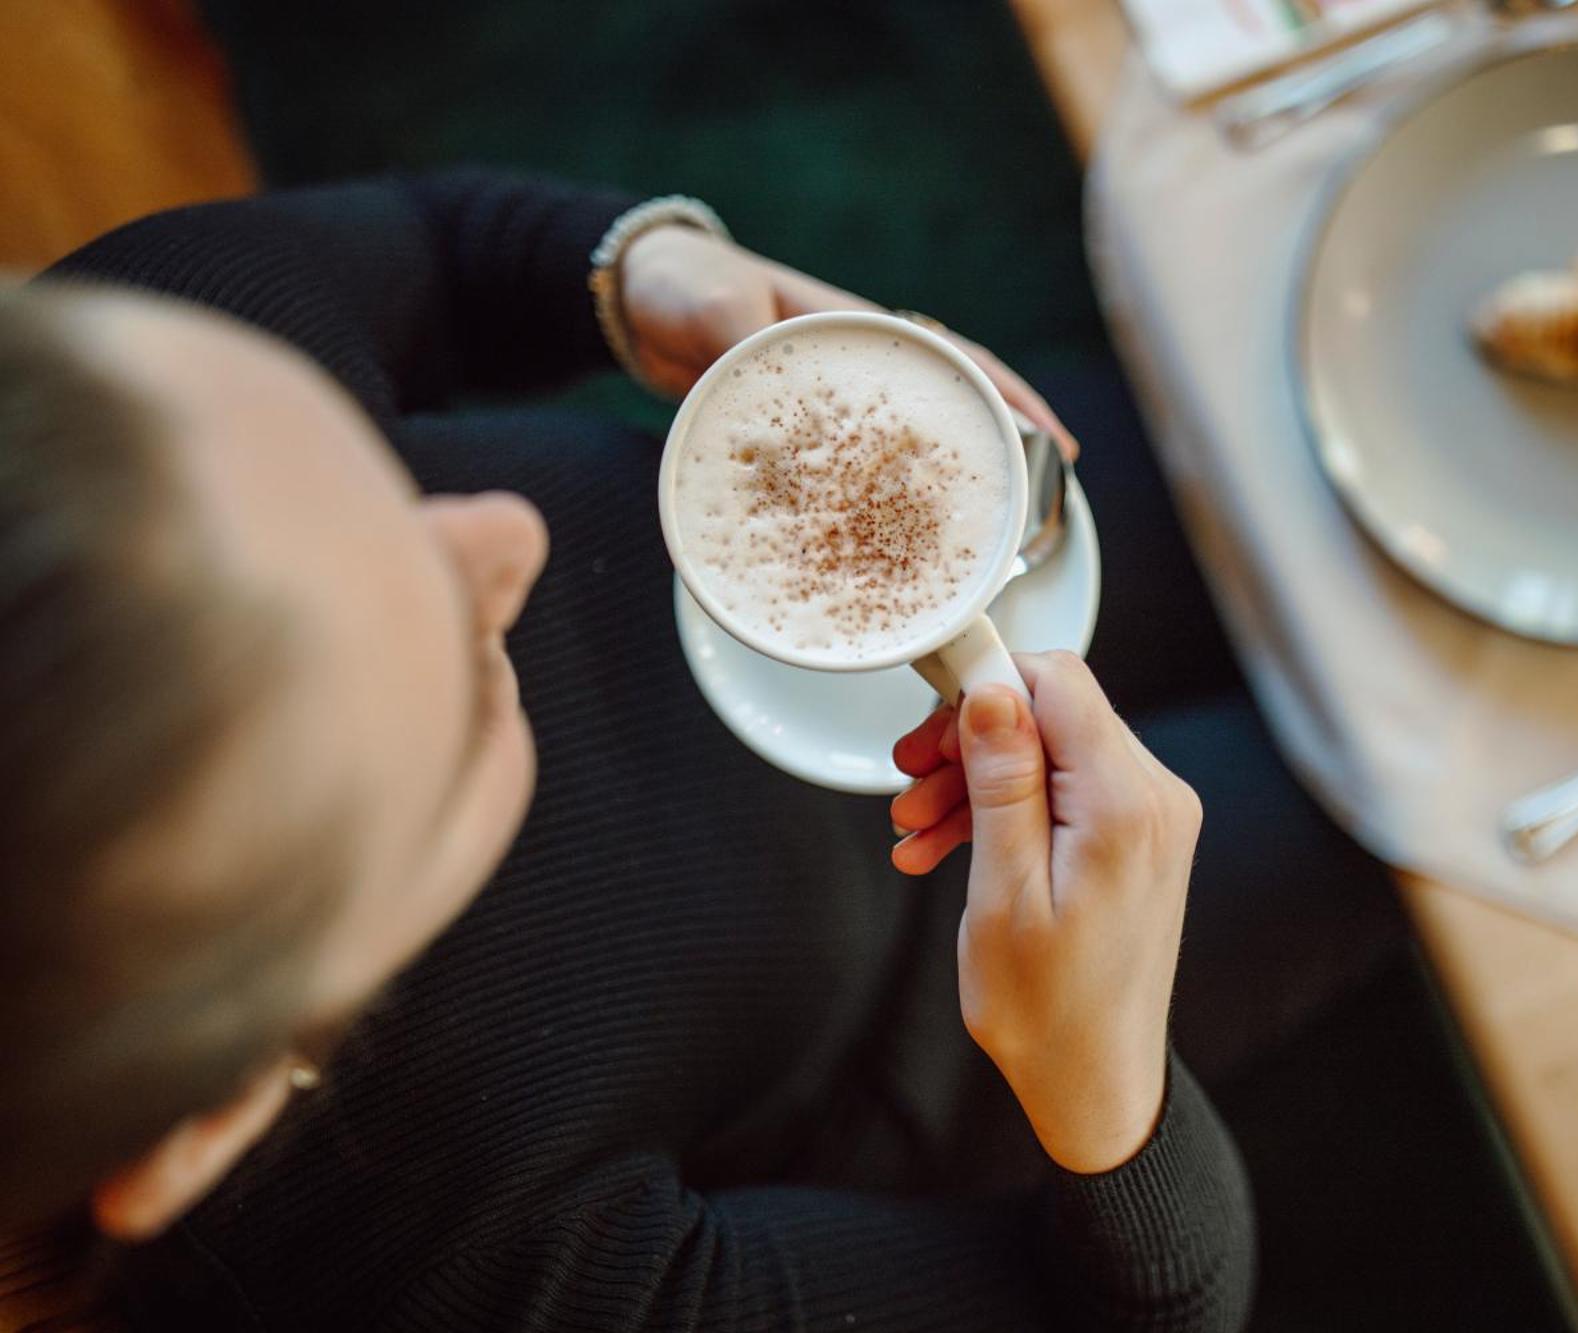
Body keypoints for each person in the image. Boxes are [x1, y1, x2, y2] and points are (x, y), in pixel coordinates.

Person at [1, 170, 1401, 1331]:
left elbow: (440, 248)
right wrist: (1106, 1087)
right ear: (215, 1114)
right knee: (1414, 802)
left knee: (1329, 446)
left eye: (378, 469)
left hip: (819, 525)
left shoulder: (123, 365)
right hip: (936, 1009)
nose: (515, 536)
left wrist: (640, 270)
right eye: (457, 669)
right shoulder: (446, 1276)